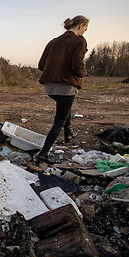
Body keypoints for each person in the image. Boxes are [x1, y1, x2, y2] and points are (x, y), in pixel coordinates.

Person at [36, 15, 89, 163]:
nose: (84, 32)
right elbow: (77, 65)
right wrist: (83, 73)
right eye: (85, 29)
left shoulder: (53, 41)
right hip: (66, 85)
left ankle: (68, 132)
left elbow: (41, 65)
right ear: (81, 25)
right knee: (59, 119)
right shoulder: (79, 41)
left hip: (49, 86)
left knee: (65, 108)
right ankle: (43, 153)